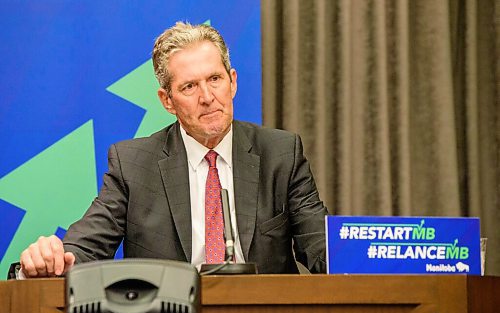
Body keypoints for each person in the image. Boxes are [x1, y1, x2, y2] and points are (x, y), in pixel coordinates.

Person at [18, 22, 327, 278]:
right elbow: (86, 247)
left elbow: (321, 247)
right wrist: (48, 261)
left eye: (215, 79)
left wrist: (368, 254)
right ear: (167, 100)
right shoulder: (133, 165)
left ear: (232, 82)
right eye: (189, 87)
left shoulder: (281, 153)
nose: (207, 97)